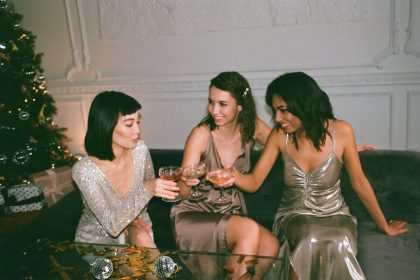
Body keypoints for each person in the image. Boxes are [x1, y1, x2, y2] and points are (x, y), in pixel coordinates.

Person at [232, 72, 408, 280]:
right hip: (294, 216)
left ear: (304, 105)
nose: (277, 119)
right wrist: (233, 175)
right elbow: (253, 182)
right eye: (275, 111)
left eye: (283, 110)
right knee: (311, 238)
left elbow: (360, 183)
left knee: (338, 241)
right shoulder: (280, 136)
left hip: (335, 215)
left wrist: (384, 225)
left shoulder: (342, 131)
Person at [170, 72, 280, 279]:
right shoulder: (201, 134)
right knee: (248, 230)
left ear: (241, 106)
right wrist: (188, 179)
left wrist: (329, 148)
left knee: (270, 245)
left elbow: (286, 142)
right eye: (211, 102)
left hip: (230, 211)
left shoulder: (251, 127)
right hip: (195, 213)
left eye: (223, 104)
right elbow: (182, 194)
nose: (214, 111)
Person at [72, 91, 179, 247]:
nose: (137, 130)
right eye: (129, 124)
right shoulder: (84, 171)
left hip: (137, 224)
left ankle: (163, 271)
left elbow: (144, 202)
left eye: (138, 122)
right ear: (106, 126)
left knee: (142, 239)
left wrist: (130, 218)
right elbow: (112, 226)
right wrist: (146, 188)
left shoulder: (140, 150)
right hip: (98, 241)